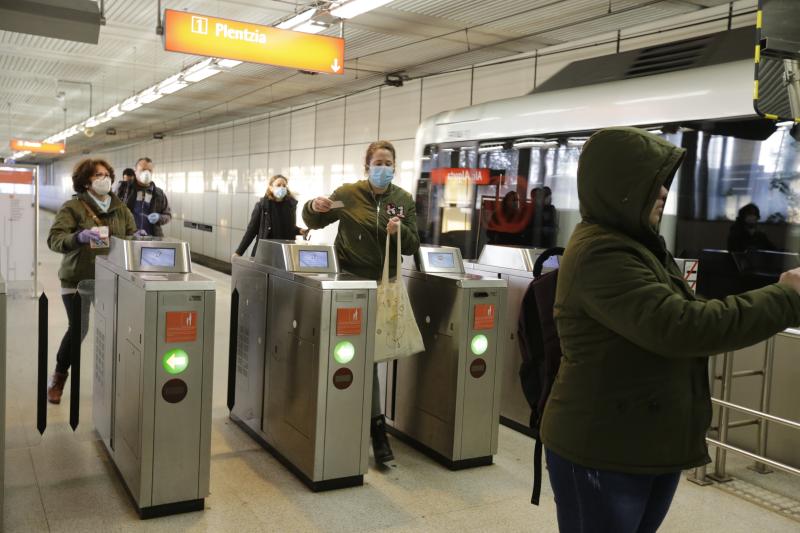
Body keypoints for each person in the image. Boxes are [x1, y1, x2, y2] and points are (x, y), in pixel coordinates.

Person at [540, 127, 800, 533]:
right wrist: (785, 297)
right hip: (603, 447)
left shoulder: (642, 247)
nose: (663, 192)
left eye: (665, 182)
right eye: (651, 182)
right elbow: (682, 326)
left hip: (640, 441)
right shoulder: (603, 252)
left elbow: (687, 314)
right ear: (619, 185)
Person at [303, 140, 420, 464]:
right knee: (355, 356)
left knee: (368, 357)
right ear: (367, 165)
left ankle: (369, 425)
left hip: (385, 289)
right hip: (350, 287)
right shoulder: (349, 194)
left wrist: (399, 233)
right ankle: (373, 428)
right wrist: (315, 206)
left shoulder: (403, 200)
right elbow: (315, 220)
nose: (384, 168)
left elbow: (413, 245)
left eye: (389, 163)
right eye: (378, 162)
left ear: (395, 166)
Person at [46, 158, 142, 404]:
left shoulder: (120, 208)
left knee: (116, 327)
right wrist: (78, 237)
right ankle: (58, 378)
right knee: (79, 328)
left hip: (111, 277)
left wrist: (137, 237)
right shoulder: (73, 207)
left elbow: (130, 234)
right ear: (86, 181)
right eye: (98, 175)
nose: (105, 178)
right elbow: (55, 239)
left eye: (107, 174)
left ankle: (116, 380)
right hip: (78, 278)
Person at [233, 174, 305, 258]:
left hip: (284, 253)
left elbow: (288, 227)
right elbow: (251, 230)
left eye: (284, 185)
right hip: (265, 252)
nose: (282, 187)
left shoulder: (290, 206)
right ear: (271, 187)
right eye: (278, 185)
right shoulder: (262, 206)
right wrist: (239, 252)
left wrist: (300, 231)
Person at [120, 157, 172, 237]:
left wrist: (159, 217)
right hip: (129, 237)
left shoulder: (159, 193)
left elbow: (168, 215)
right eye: (143, 170)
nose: (146, 173)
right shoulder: (124, 189)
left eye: (149, 171)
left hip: (152, 238)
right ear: (135, 172)